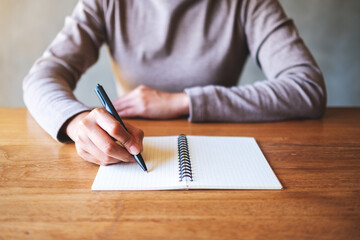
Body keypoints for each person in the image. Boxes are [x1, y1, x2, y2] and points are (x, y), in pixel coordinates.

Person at [23, 0, 326, 166]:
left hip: (221, 147)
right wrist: (77, 124)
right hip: (135, 146)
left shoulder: (250, 4)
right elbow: (41, 76)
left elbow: (306, 87)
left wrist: (183, 101)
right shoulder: (105, 3)